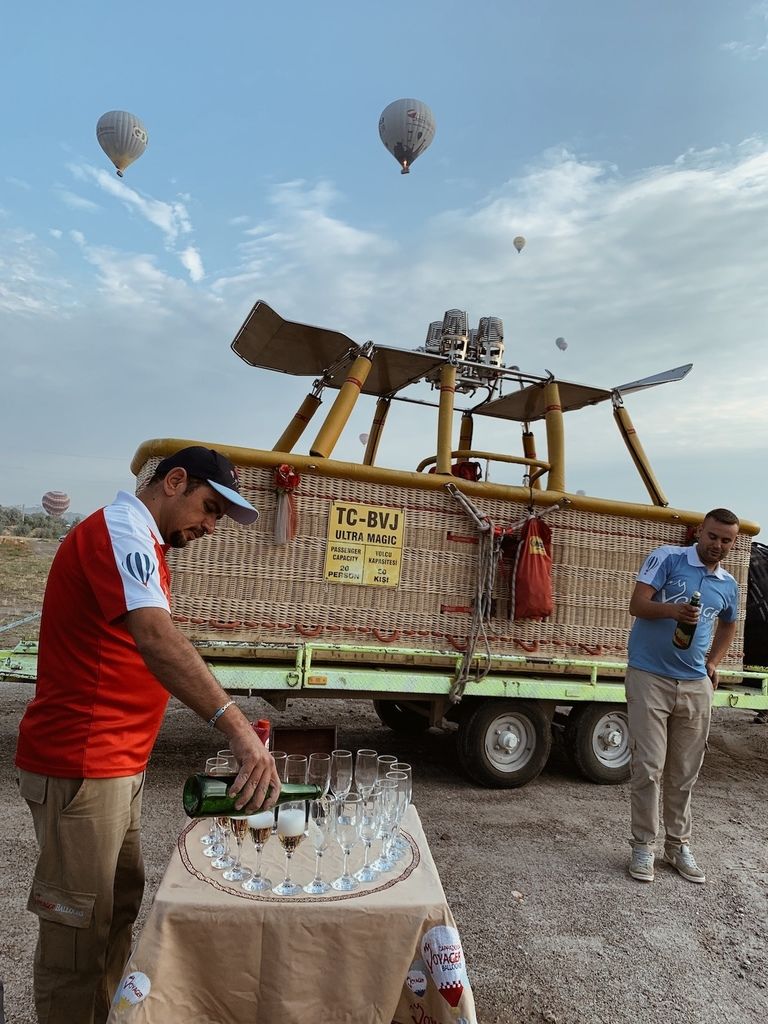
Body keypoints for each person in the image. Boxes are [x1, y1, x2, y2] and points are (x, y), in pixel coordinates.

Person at [15, 446, 282, 1024]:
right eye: (208, 508)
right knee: (76, 933)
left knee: (115, 910)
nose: (209, 527)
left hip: (115, 764)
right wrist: (236, 726)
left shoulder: (144, 543)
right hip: (82, 762)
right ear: (174, 482)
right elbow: (156, 638)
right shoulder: (121, 529)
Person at [625, 508, 740, 885]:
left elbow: (729, 623)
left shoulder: (727, 583)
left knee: (685, 772)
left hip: (694, 684)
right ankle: (643, 846)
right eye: (712, 536)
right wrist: (673, 610)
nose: (717, 545)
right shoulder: (667, 558)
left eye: (726, 540)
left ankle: (677, 847)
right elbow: (637, 605)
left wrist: (713, 663)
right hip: (649, 676)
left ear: (732, 542)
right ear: (699, 533)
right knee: (648, 766)